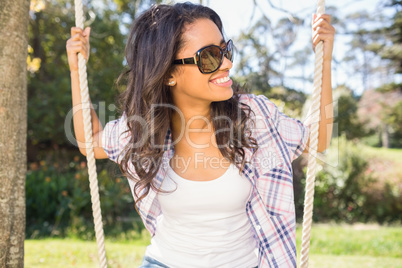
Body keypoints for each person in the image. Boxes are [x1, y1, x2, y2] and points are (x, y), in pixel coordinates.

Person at [66, 2, 334, 268]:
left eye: (225, 49)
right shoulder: (143, 130)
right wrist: (77, 70)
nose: (227, 63)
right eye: (209, 56)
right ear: (169, 73)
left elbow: (317, 139)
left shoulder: (253, 118)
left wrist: (324, 60)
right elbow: (89, 143)